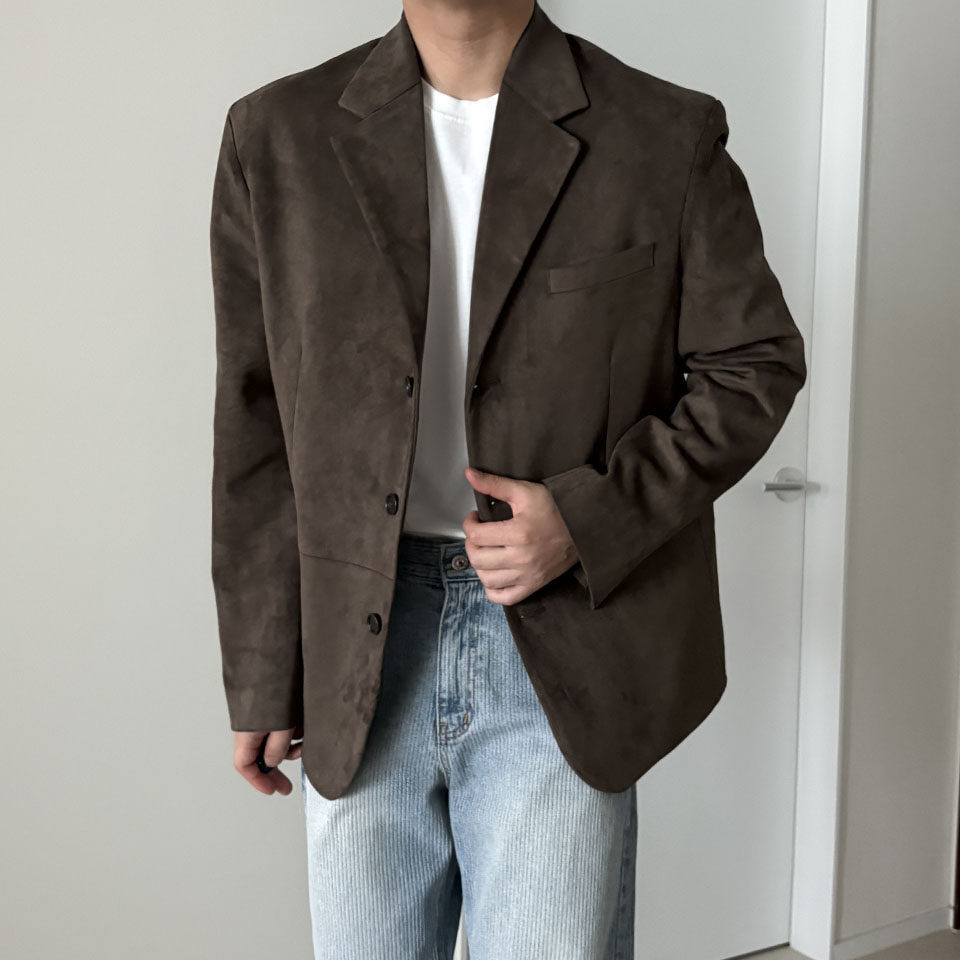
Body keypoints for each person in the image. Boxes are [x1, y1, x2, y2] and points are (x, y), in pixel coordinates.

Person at [208, 1, 807, 957]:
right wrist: (261, 671)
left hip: (564, 640)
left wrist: (589, 517)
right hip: (358, 642)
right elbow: (256, 422)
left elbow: (753, 366)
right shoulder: (277, 136)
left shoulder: (663, 132)